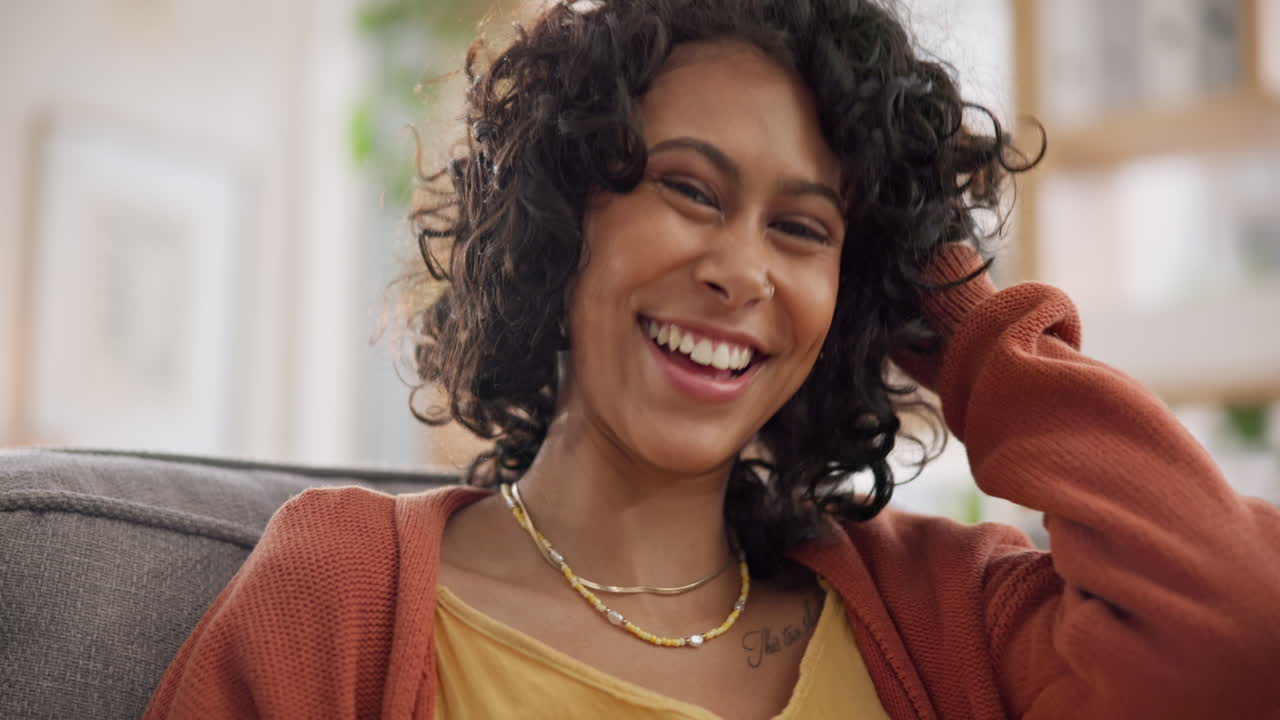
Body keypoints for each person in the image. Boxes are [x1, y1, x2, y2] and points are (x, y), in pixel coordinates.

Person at [144, 0, 1280, 718]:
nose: (741, 270)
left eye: (802, 229)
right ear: (564, 218)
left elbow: (1236, 629)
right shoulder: (337, 592)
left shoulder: (944, 613)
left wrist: (960, 316)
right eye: (687, 189)